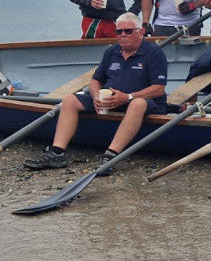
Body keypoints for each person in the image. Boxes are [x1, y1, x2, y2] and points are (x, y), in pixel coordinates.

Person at [23, 13, 168, 177]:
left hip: (143, 103)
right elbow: (95, 81)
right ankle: (57, 153)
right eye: (118, 32)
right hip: (110, 100)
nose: (122, 36)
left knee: (137, 104)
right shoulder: (112, 51)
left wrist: (127, 97)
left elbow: (158, 89)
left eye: (128, 31)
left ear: (140, 31)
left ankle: (111, 156)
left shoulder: (154, 53)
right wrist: (97, 96)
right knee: (70, 100)